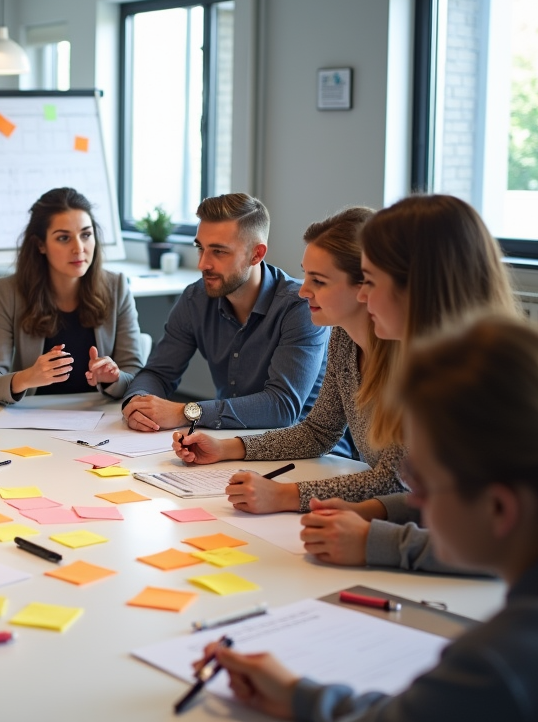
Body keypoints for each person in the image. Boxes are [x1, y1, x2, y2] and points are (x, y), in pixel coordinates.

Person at [196, 316, 538, 722]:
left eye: (422, 482)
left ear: (499, 510)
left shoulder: (499, 665)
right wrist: (299, 696)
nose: (412, 497)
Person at [178, 195, 517, 573]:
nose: (364, 295)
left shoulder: (463, 374)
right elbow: (432, 494)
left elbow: (502, 535)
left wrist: (362, 533)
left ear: (415, 285)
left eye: (370, 281)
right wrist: (367, 513)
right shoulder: (370, 344)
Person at [172, 207, 407, 514]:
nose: (303, 291)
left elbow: (396, 482)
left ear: (365, 285)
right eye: (305, 274)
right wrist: (225, 448)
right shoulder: (345, 338)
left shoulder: (409, 356)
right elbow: (318, 432)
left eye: (319, 281)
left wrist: (285, 495)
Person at [123, 193, 328, 436]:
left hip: (305, 452)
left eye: (219, 252)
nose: (203, 264)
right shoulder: (195, 299)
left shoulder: (299, 307)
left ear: (256, 254)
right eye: (201, 248)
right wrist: (136, 404)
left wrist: (185, 412)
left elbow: (281, 407)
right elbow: (158, 373)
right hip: (226, 441)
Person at [0, 187, 145, 403]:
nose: (79, 248)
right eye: (64, 238)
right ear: (40, 245)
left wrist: (113, 378)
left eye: (86, 234)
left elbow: (137, 377)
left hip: (98, 418)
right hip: (30, 420)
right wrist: (27, 378)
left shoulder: (117, 286)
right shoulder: (9, 291)